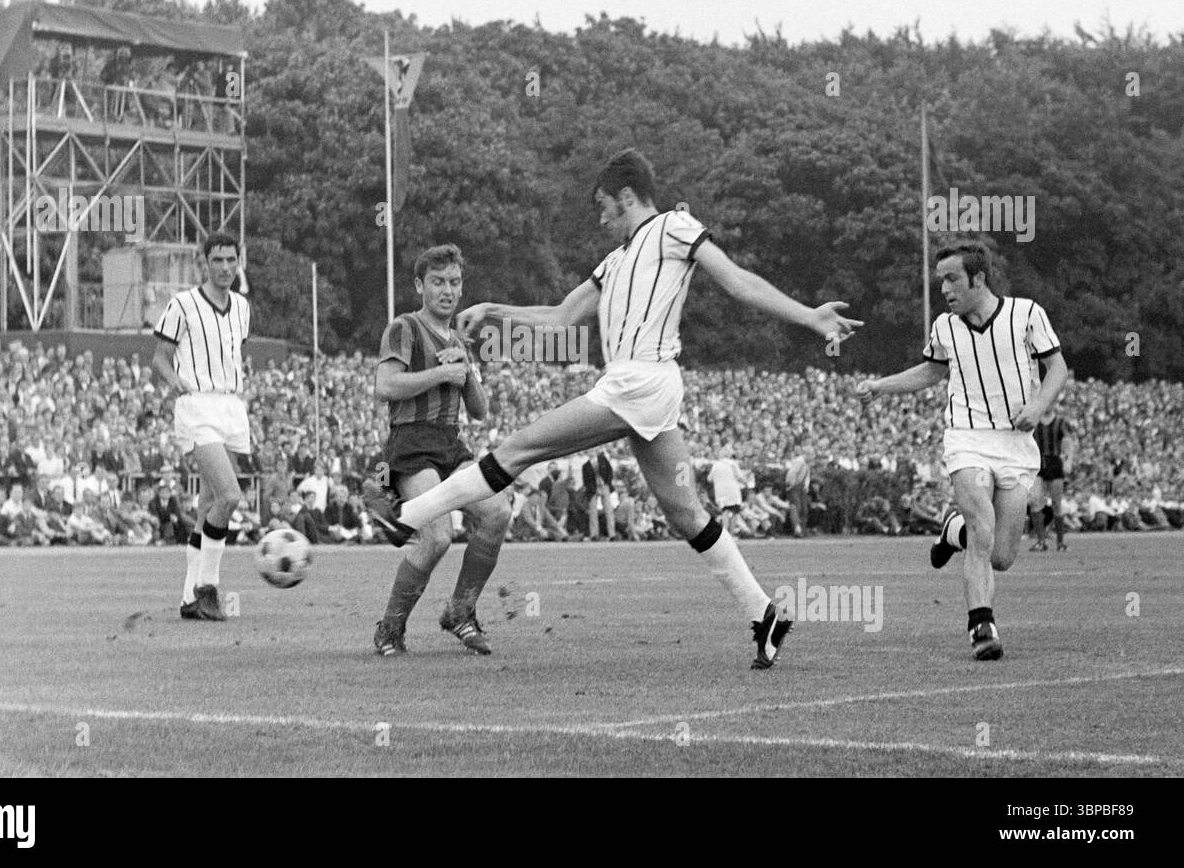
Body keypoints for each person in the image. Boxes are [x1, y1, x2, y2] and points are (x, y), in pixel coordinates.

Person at [365, 150, 862, 669]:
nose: (600, 217)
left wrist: (809, 317)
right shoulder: (617, 258)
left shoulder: (674, 226)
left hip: (638, 381)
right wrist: (494, 310)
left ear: (627, 196)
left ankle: (405, 516)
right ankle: (765, 616)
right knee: (686, 513)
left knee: (517, 449)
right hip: (645, 389)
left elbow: (738, 282)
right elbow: (561, 317)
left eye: (603, 205)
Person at [857, 241, 1068, 661]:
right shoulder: (945, 327)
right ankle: (981, 626)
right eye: (941, 282)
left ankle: (952, 532)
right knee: (983, 528)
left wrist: (1038, 406)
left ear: (979, 278)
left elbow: (1056, 367)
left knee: (1003, 556)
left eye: (952, 279)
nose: (945, 289)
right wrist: (881, 386)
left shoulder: (1027, 314)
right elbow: (932, 371)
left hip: (1014, 444)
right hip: (966, 437)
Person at [368, 245, 512, 657]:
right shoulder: (404, 327)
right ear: (419, 285)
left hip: (450, 443)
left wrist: (465, 370)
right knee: (437, 535)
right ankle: (390, 629)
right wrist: (440, 373)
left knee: (497, 512)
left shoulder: (458, 338)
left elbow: (481, 411)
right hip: (411, 441)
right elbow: (385, 386)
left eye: (454, 282)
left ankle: (460, 612)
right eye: (437, 282)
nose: (447, 290)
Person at [152, 233, 252, 621]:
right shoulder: (183, 304)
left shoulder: (242, 307)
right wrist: (176, 382)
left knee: (209, 503)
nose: (225, 267)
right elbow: (159, 357)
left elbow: (233, 353)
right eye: (218, 260)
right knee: (230, 497)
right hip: (197, 406)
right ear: (203, 262)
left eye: (231, 259)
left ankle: (188, 599)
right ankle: (207, 586)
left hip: (229, 404)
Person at [1028, 404, 1071, 552]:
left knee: (1056, 503)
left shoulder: (1060, 422)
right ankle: (1041, 541)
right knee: (1034, 500)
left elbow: (1067, 441)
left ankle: (1060, 542)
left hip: (1054, 463)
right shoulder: (1034, 420)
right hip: (1038, 462)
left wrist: (1068, 460)